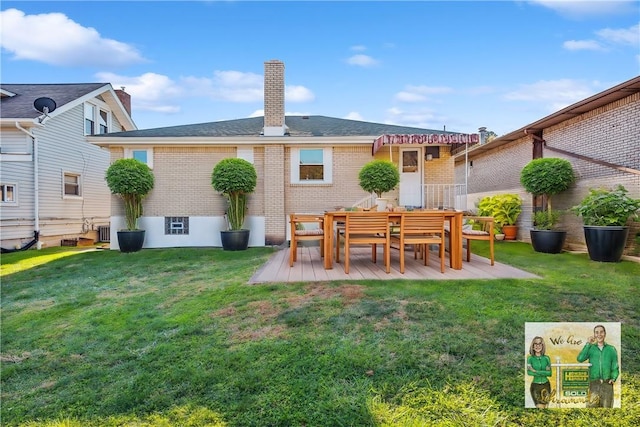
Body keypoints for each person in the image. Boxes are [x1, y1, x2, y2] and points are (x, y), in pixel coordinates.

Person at [577, 324, 619, 407]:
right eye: (597, 333)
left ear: (605, 333)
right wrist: (588, 344)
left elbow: (615, 366)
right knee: (591, 408)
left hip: (607, 383)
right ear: (594, 335)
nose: (599, 334)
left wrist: (613, 378)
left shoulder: (611, 349)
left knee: (607, 409)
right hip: (594, 383)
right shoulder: (591, 348)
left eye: (601, 332)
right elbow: (580, 359)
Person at [527, 336, 552, 408]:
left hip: (546, 385)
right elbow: (529, 373)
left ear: (542, 345)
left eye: (540, 344)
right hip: (535, 386)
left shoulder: (547, 358)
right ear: (533, 346)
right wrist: (544, 372)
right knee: (539, 407)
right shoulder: (530, 359)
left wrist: (535, 371)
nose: (538, 346)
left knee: (546, 408)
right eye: (536, 344)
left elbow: (549, 373)